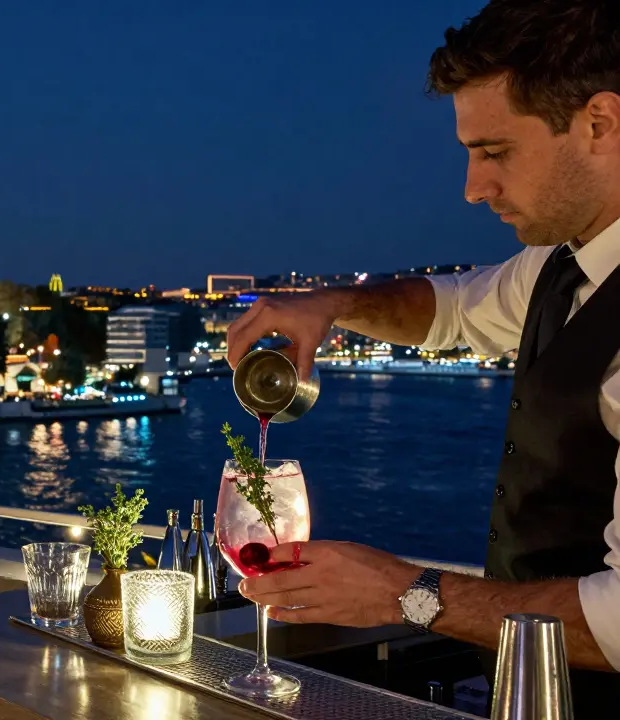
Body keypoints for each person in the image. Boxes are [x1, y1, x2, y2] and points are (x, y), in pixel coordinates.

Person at [225, 0, 620, 708]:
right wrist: (336, 303)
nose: (473, 189)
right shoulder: (562, 265)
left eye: (495, 152)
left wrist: (402, 594)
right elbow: (450, 308)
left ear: (600, 124)